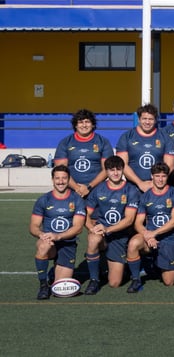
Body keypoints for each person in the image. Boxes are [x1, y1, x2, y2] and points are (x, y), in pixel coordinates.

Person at [83, 155, 140, 295]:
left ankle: (113, 264)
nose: (115, 173)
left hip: (118, 236)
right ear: (106, 171)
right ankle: (94, 280)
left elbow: (129, 220)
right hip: (101, 233)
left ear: (123, 170)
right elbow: (85, 215)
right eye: (111, 170)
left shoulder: (131, 190)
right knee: (93, 239)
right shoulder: (98, 189)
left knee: (114, 283)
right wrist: (93, 229)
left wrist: (107, 229)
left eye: (118, 169)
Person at [126, 162, 174, 292]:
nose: (160, 179)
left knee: (169, 282)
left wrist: (154, 233)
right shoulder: (145, 196)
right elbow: (138, 223)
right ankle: (136, 280)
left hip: (169, 239)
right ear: (151, 176)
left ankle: (155, 263)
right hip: (149, 238)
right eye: (157, 176)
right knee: (133, 243)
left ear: (167, 177)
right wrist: (147, 235)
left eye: (163, 176)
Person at [30, 165, 87, 300]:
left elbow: (78, 227)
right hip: (49, 242)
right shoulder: (44, 200)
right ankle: (43, 285)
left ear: (68, 180)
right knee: (44, 245)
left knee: (60, 289)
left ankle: (52, 273)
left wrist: (58, 236)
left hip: (67, 243)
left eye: (64, 178)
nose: (60, 182)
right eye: (57, 178)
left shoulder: (77, 199)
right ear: (52, 180)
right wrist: (41, 235)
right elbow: (33, 226)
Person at [53, 108, 114, 198]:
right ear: (76, 125)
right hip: (72, 191)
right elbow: (61, 170)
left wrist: (89, 187)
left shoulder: (103, 142)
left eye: (87, 122)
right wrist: (77, 188)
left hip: (97, 191)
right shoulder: (65, 142)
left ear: (93, 124)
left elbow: (107, 169)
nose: (84, 125)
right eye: (81, 122)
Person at [116, 104, 172, 192]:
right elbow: (122, 164)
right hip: (133, 187)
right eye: (144, 119)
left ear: (156, 120)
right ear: (138, 119)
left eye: (150, 119)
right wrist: (139, 183)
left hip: (158, 188)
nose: (147, 122)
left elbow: (170, 165)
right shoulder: (127, 137)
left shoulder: (165, 137)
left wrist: (155, 183)